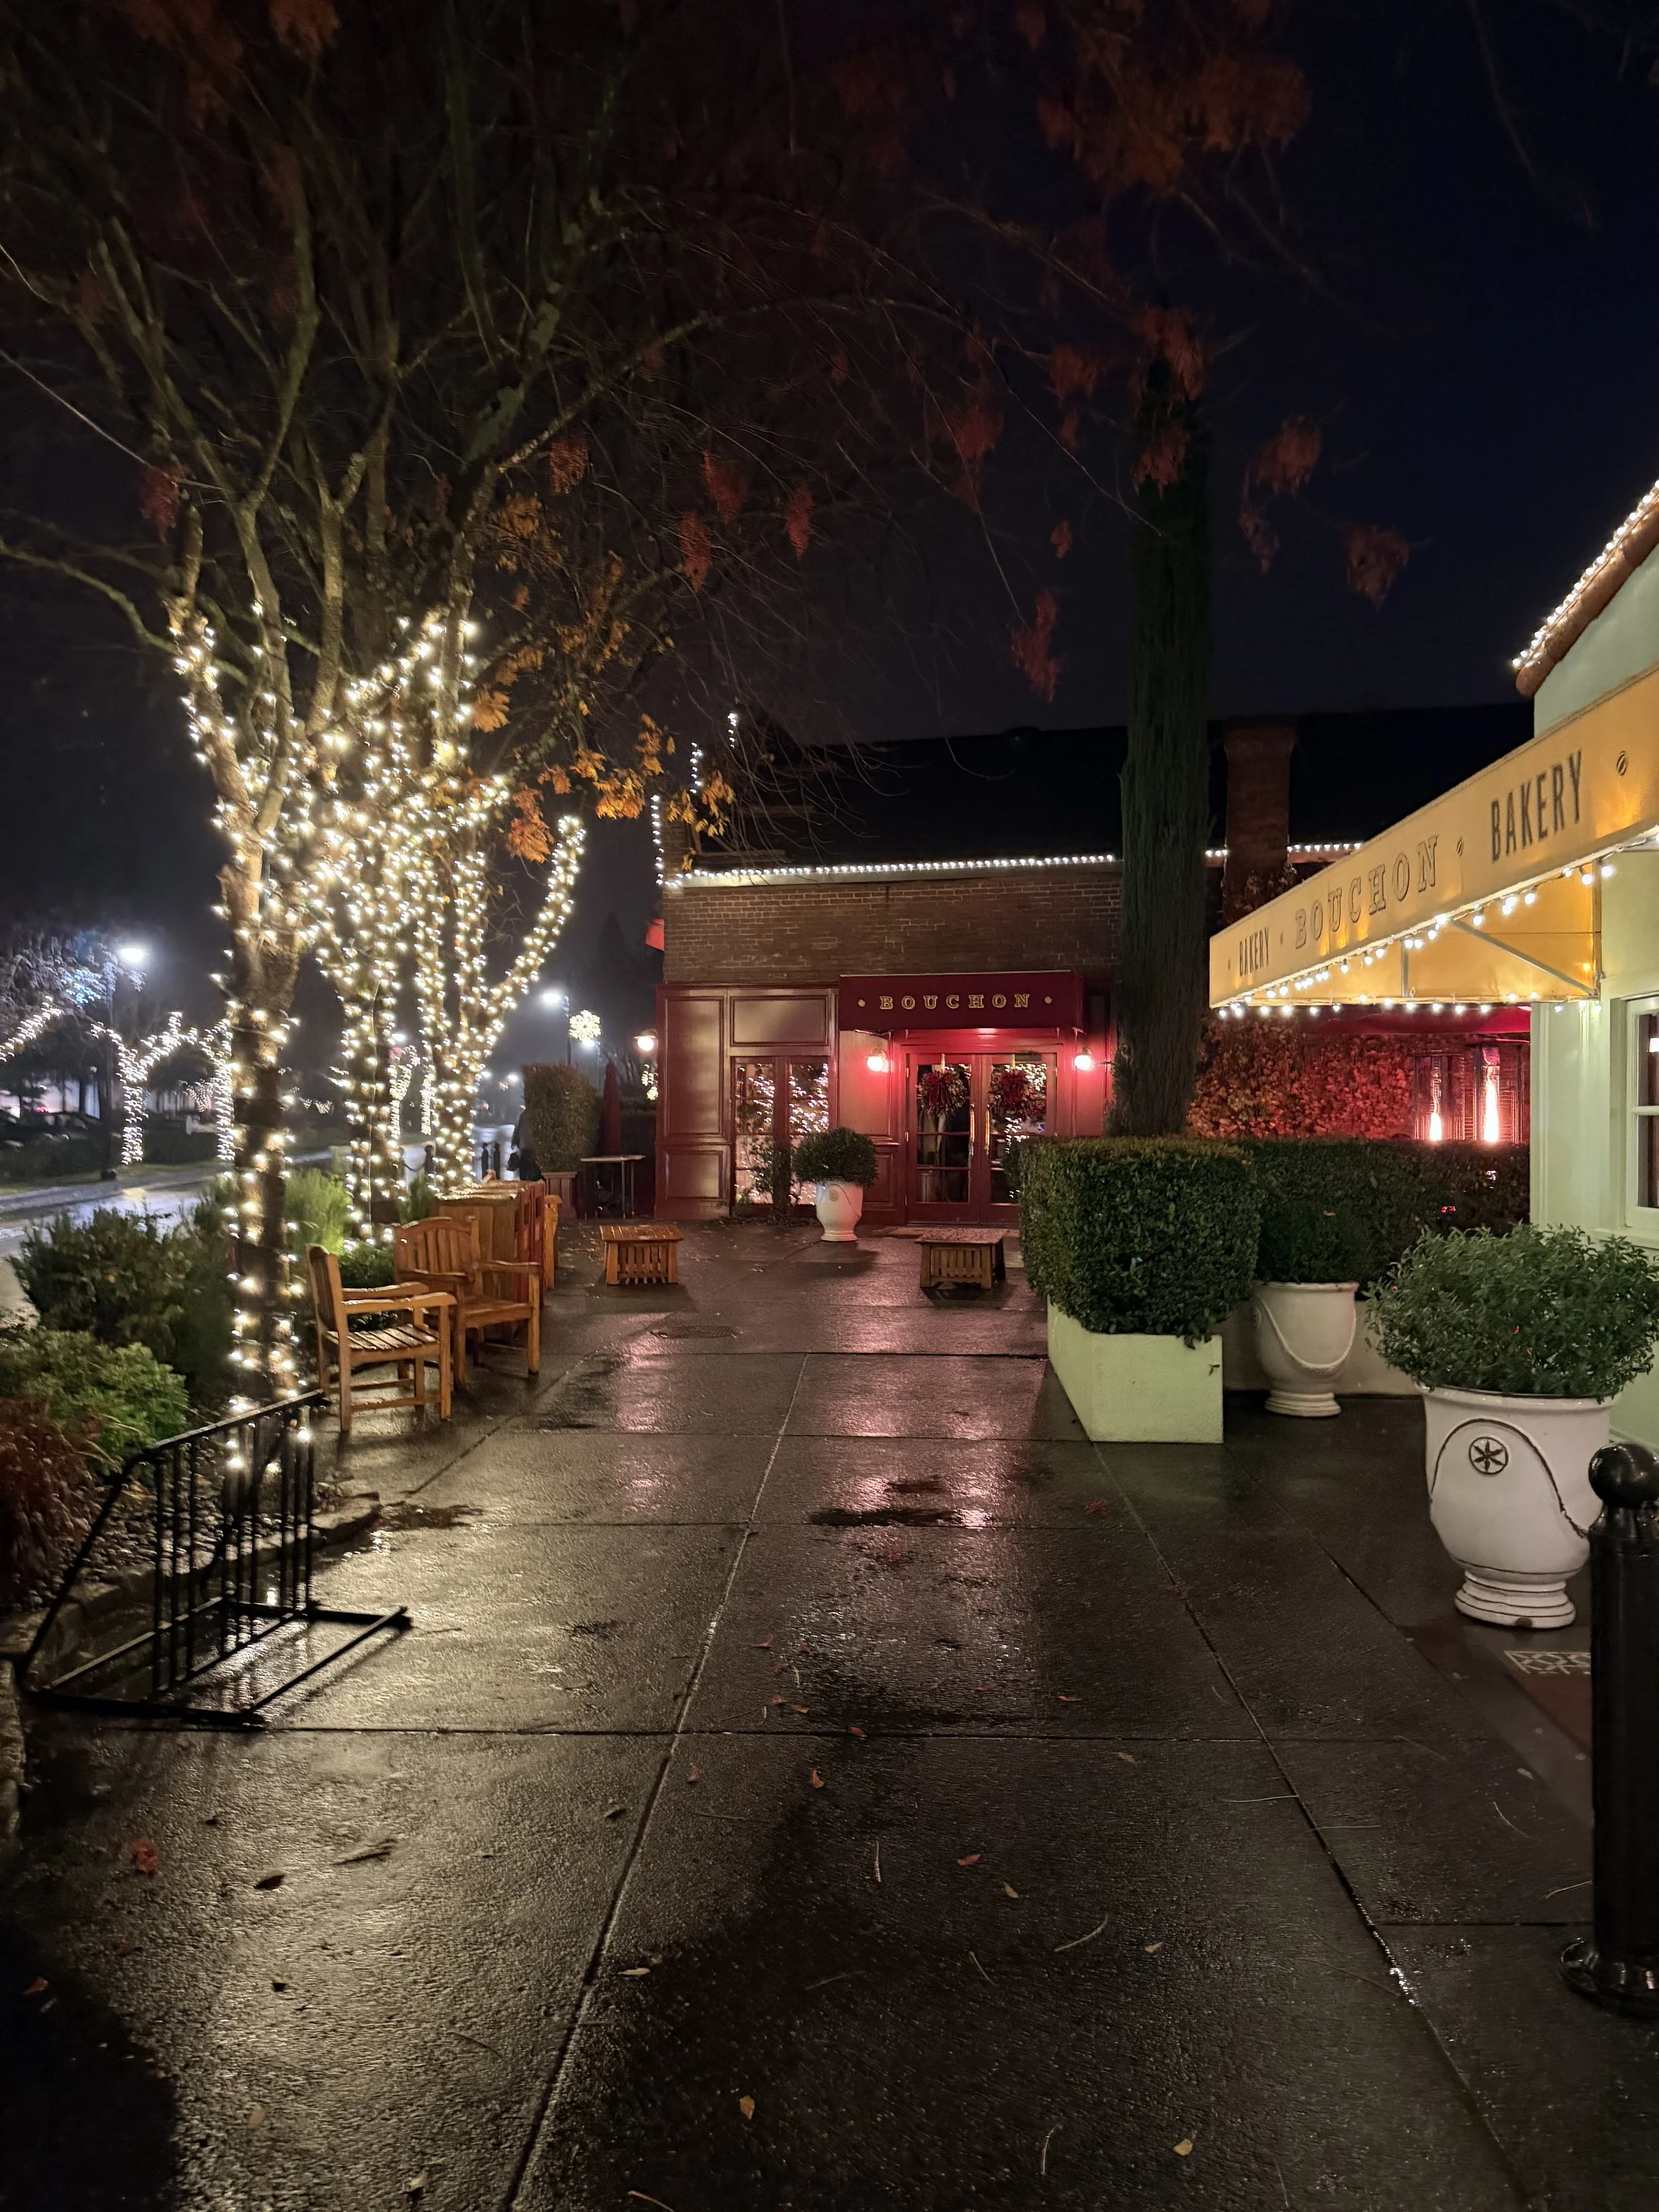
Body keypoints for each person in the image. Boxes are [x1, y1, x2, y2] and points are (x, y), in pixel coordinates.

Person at [510, 1110, 540, 1183]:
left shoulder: (523, 1115)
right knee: (533, 1170)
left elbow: (517, 1130)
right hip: (533, 1147)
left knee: (524, 1169)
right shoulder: (537, 1114)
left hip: (524, 1146)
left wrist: (514, 1143)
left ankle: (525, 1184)